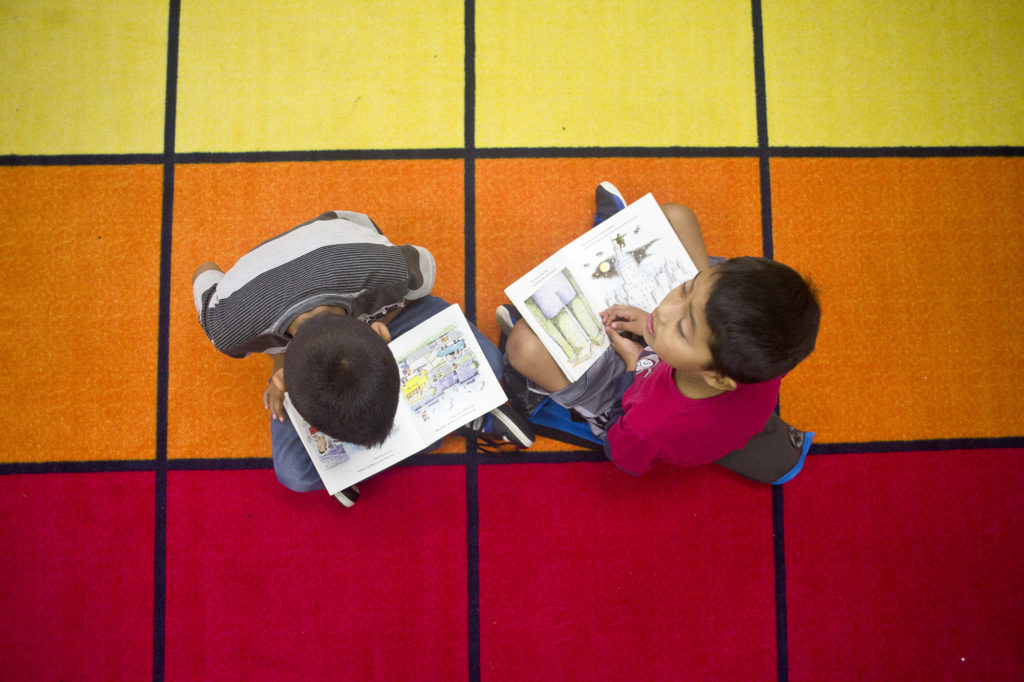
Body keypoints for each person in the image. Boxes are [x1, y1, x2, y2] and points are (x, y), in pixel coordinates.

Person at [193, 209, 534, 506]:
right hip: (310, 312)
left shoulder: (390, 273)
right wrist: (278, 362)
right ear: (282, 382)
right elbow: (205, 273)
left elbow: (421, 274)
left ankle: (354, 465)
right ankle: (463, 416)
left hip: (352, 255)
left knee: (489, 363)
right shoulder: (227, 328)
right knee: (294, 474)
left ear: (380, 333)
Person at [500, 183, 820, 479]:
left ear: (718, 377)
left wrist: (631, 369)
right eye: (684, 289)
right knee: (675, 216)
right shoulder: (759, 360)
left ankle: (616, 247)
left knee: (524, 347)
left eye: (683, 327)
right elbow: (684, 320)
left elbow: (621, 454)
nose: (663, 309)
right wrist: (659, 330)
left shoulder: (648, 423)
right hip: (666, 363)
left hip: (625, 393)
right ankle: (620, 248)